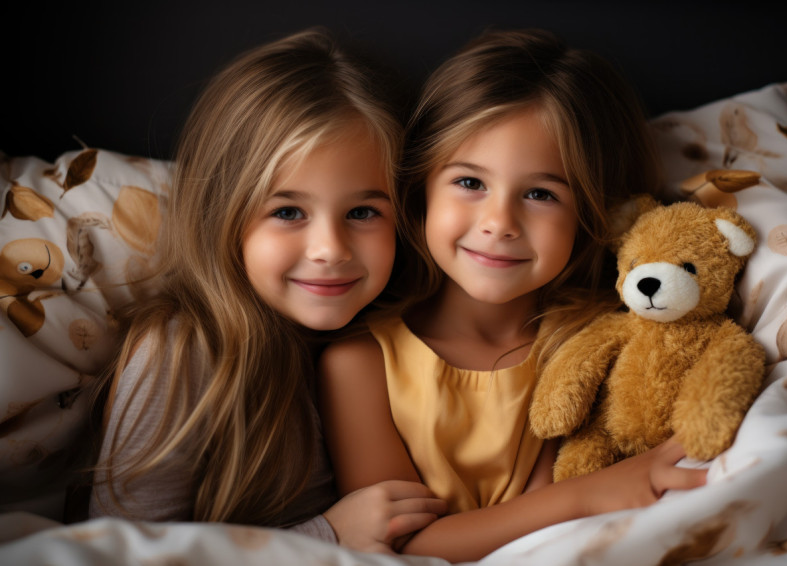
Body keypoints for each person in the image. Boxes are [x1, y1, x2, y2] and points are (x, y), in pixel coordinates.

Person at [319, 28, 707, 562]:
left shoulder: (597, 339)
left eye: (540, 193)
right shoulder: (360, 362)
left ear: (593, 214)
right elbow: (403, 544)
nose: (500, 223)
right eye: (470, 183)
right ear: (421, 188)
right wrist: (589, 494)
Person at [89, 29, 445, 554]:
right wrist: (329, 536)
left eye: (363, 212)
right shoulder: (182, 353)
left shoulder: (403, 338)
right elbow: (119, 555)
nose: (330, 248)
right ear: (224, 213)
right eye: (287, 212)